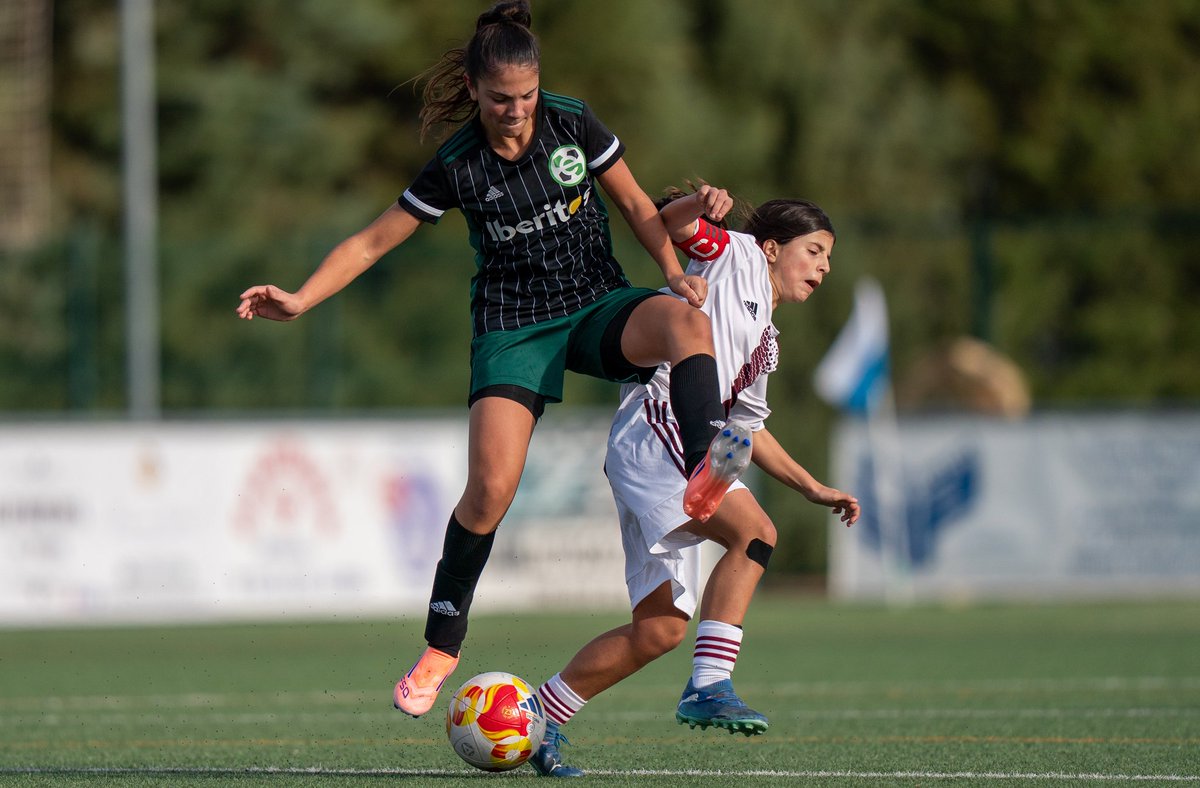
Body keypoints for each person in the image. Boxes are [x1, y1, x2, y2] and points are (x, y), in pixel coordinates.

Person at [235, 2, 747, 720]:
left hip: (597, 301)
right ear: (474, 90)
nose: (516, 112)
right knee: (490, 492)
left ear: (541, 86)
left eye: (527, 97)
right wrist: (300, 299)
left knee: (687, 323)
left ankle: (704, 469)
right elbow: (371, 244)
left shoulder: (573, 123)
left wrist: (671, 268)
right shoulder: (458, 163)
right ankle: (443, 643)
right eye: (501, 99)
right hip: (516, 328)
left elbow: (634, 204)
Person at [525, 184, 861, 777]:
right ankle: (710, 684)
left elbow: (749, 430)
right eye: (814, 251)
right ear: (773, 248)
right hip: (660, 426)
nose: (824, 266)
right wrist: (699, 206)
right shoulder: (735, 254)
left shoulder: (766, 345)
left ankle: (535, 720)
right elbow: (675, 227)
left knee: (657, 631)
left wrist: (812, 487)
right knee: (755, 532)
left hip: (678, 446)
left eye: (829, 257)